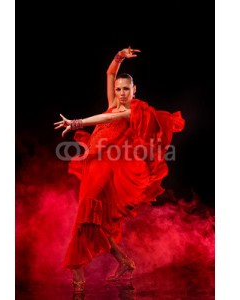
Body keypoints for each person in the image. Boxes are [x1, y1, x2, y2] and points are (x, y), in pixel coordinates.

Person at [54, 47, 185, 294]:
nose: (122, 93)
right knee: (92, 220)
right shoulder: (114, 103)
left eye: (126, 89)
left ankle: (78, 276)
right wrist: (119, 56)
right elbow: (109, 73)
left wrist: (76, 123)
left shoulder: (132, 110)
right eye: (119, 89)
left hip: (106, 168)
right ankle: (125, 261)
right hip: (93, 163)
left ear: (135, 90)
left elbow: (104, 121)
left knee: (85, 216)